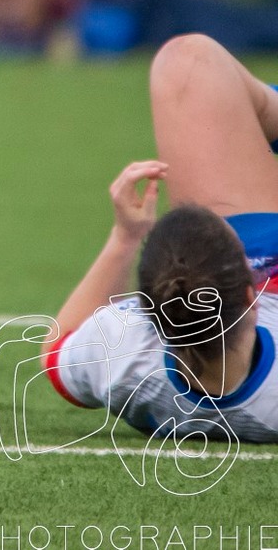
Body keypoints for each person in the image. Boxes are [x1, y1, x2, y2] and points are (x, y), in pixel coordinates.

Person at [43, 34, 278, 438]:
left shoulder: (130, 356)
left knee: (187, 62)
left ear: (149, 313)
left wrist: (124, 238)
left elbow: (58, 349)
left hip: (233, 271)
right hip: (253, 249)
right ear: (248, 297)